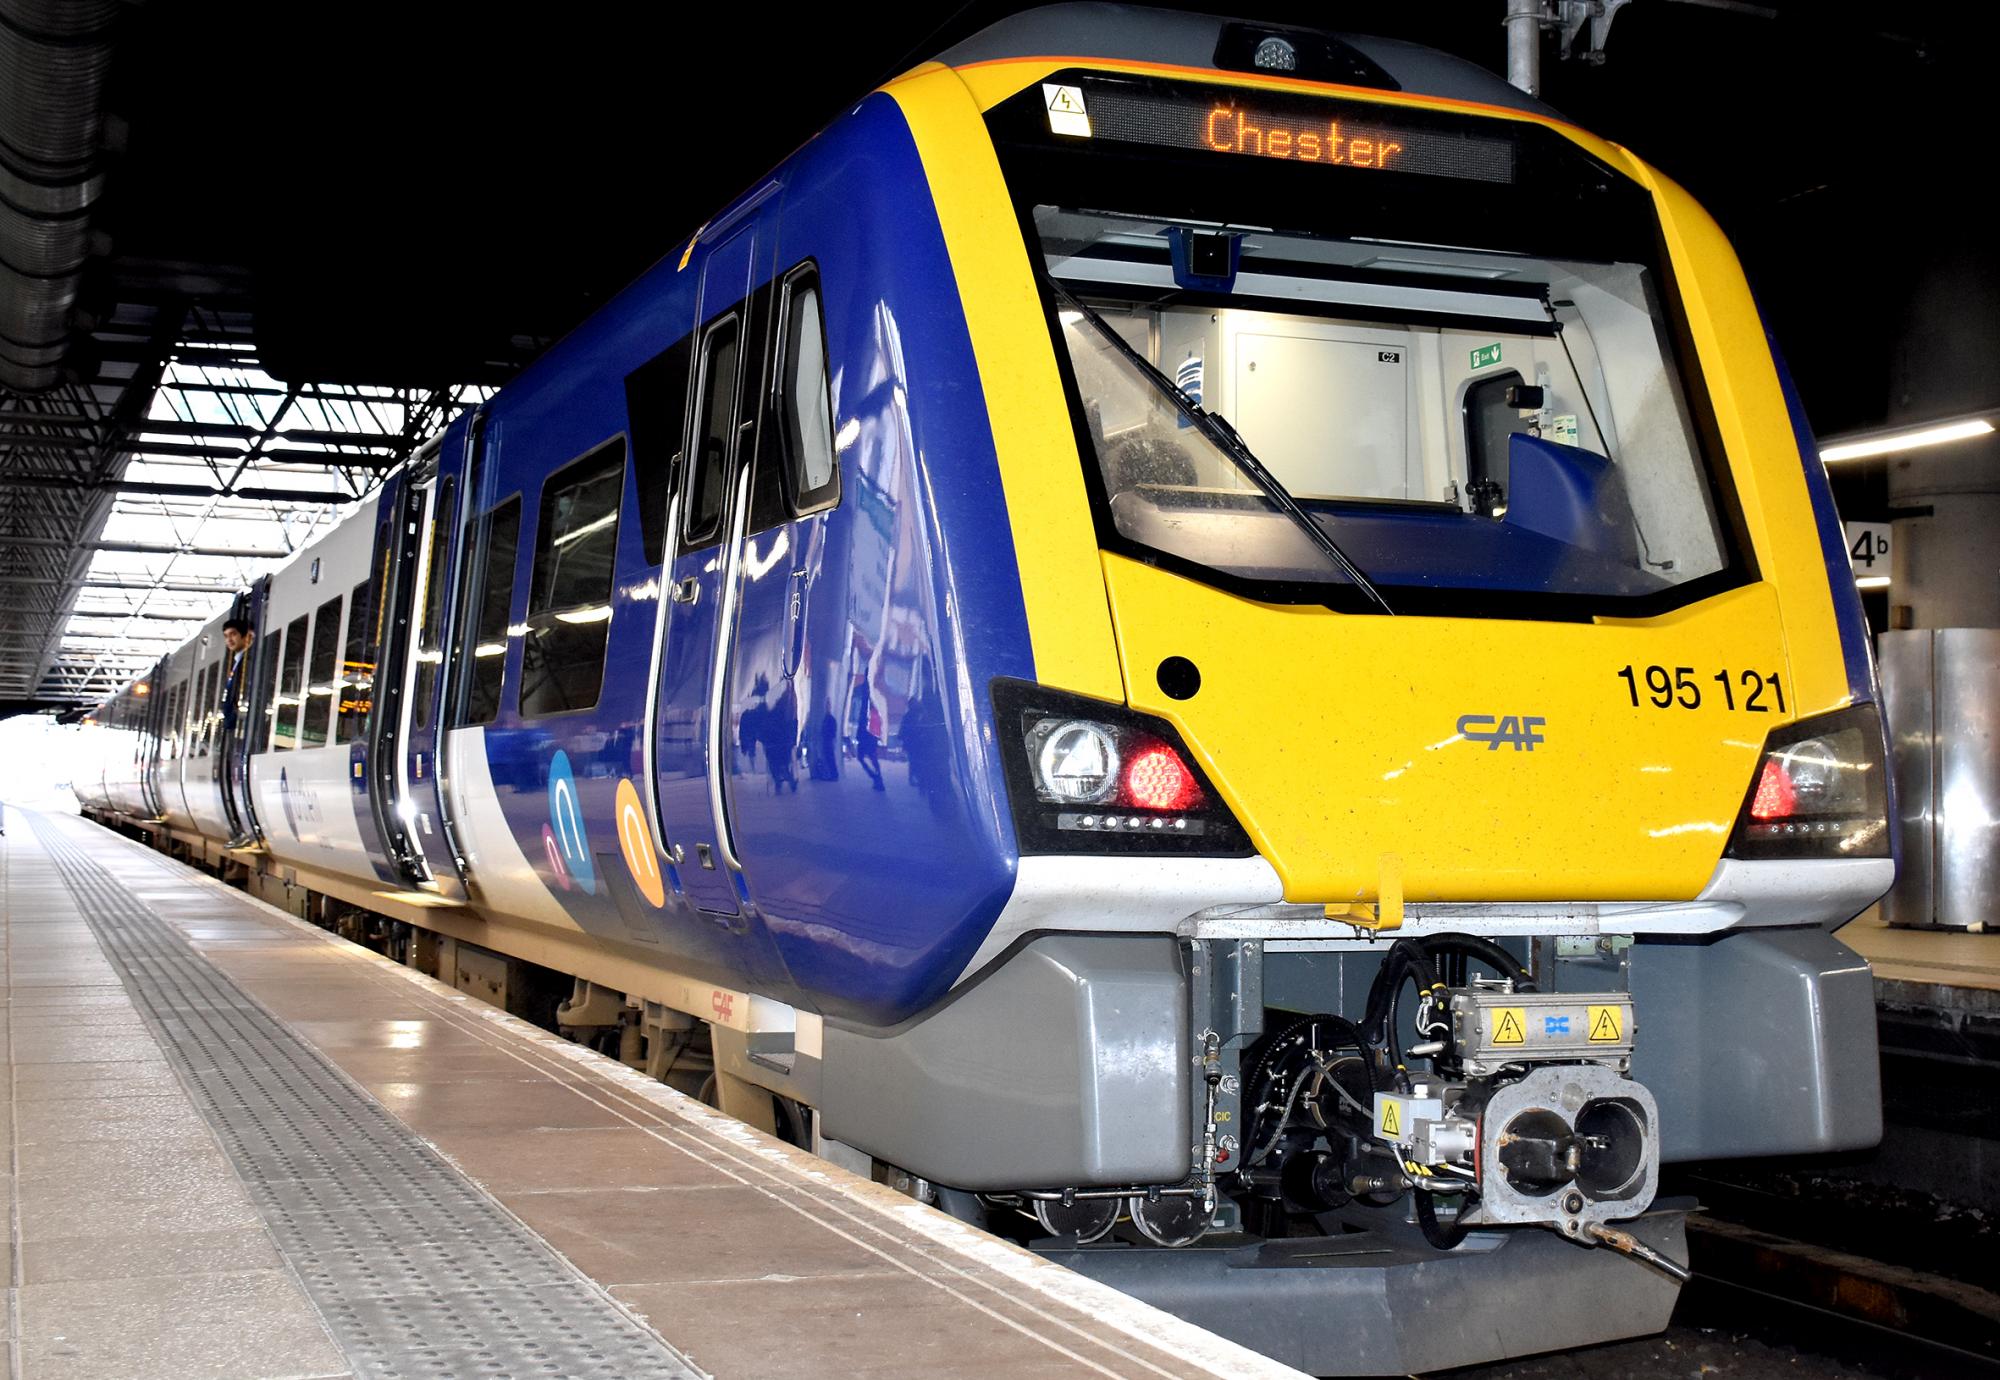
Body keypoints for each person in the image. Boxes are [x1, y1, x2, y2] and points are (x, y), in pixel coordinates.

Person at [220, 619, 256, 848]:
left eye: (233, 634)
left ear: (246, 636)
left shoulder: (248, 661)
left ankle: (246, 828)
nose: (229, 640)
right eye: (226, 636)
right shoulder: (236, 663)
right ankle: (241, 827)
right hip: (234, 726)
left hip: (243, 727)